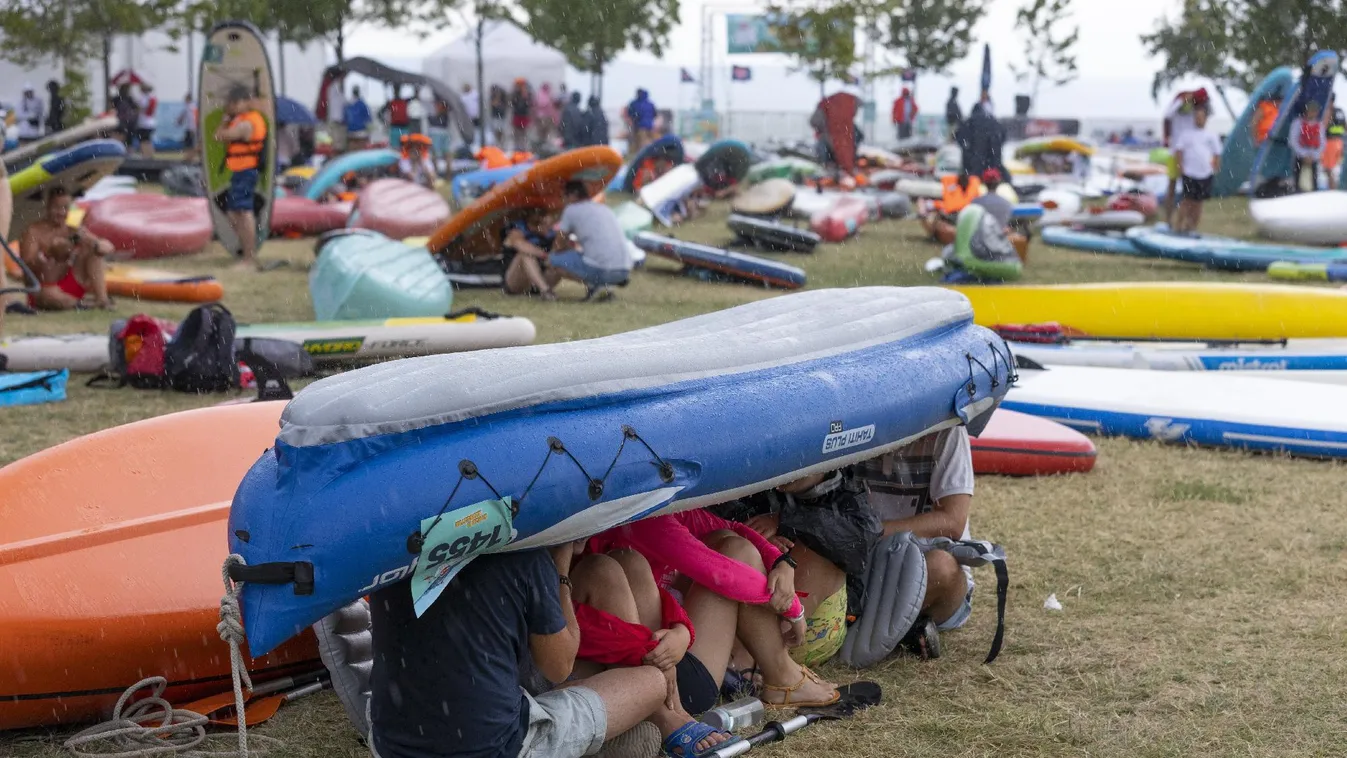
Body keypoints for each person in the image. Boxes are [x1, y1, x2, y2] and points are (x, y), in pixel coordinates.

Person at [367, 544, 700, 758]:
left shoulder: (400, 546)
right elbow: (559, 666)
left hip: (391, 742)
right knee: (653, 681)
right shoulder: (526, 556)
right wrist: (561, 572)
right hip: (496, 747)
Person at [588, 508, 844, 709]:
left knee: (729, 541)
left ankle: (779, 672)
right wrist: (792, 608)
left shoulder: (669, 512)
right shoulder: (644, 519)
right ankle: (782, 675)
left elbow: (734, 529)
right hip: (672, 684)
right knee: (735, 553)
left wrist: (781, 561)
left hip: (674, 658)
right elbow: (721, 574)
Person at [568, 551, 740, 754]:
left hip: (660, 672)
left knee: (630, 559)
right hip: (595, 670)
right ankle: (661, 713)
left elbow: (661, 593)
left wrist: (681, 630)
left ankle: (673, 709)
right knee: (598, 568)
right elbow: (561, 625)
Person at [851, 428, 980, 633]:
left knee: (942, 567)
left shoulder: (948, 431)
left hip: (921, 565)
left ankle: (866, 620)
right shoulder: (852, 425)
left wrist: (871, 532)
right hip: (861, 563)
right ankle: (896, 627)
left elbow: (952, 522)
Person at [20, 188, 113, 311]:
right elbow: (27, 265)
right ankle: (83, 304)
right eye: (56, 208)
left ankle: (102, 300)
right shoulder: (34, 231)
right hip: (46, 290)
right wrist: (48, 255)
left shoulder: (73, 229)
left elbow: (107, 247)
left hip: (71, 284)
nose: (61, 212)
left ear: (70, 210)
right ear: (47, 207)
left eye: (65, 208)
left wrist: (95, 245)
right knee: (47, 293)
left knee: (94, 252)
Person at [213, 86, 267, 269]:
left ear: (245, 102)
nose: (231, 106)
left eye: (234, 102)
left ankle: (249, 258)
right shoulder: (241, 120)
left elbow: (220, 136)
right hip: (240, 171)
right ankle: (246, 249)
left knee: (243, 211)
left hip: (247, 171)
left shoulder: (247, 123)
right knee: (233, 212)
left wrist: (224, 122)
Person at [551, 180, 632, 298]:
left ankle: (596, 285)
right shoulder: (604, 209)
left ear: (572, 195)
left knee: (553, 259)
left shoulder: (571, 210)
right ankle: (605, 287)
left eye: (565, 196)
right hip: (625, 270)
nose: (564, 200)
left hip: (603, 271)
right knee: (586, 255)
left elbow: (559, 243)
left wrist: (549, 254)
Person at [1170, 103, 1221, 233]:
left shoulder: (1211, 135)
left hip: (1205, 173)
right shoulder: (1186, 134)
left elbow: (1216, 154)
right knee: (1187, 200)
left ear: (1205, 119)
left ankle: (1192, 227)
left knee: (1198, 202)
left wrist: (1215, 167)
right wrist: (1180, 166)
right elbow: (1179, 151)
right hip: (1189, 172)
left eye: (1201, 117)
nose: (1199, 119)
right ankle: (1178, 226)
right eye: (1197, 117)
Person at [1162, 87, 1210, 223]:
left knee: (1189, 193)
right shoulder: (1175, 111)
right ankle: (1168, 220)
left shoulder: (1195, 112)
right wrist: (1181, 101)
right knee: (1171, 188)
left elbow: (1204, 121)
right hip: (1174, 153)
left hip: (1189, 157)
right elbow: (1167, 115)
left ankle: (1187, 222)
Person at [1290, 100, 1325, 193]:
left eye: (1315, 111)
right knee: (1297, 182)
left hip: (1313, 157)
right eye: (1311, 110)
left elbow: (1322, 143)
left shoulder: (1319, 125)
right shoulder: (1298, 122)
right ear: (1306, 111)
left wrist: (1314, 156)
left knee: (1314, 183)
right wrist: (1304, 154)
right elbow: (1293, 140)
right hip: (1300, 155)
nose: (1313, 113)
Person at [324, 67, 348, 153]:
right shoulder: (336, 86)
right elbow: (343, 102)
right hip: (337, 119)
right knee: (339, 145)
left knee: (336, 143)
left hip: (334, 118)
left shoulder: (331, 87)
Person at [626, 89, 656, 155]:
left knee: (639, 144)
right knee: (649, 143)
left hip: (639, 126)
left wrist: (635, 121)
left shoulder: (634, 103)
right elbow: (654, 114)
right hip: (650, 126)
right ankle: (650, 155)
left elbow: (631, 114)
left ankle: (639, 157)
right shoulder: (650, 104)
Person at [344, 86, 372, 151]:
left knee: (351, 154)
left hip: (350, 133)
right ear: (358, 92)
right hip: (361, 133)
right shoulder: (362, 104)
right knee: (360, 154)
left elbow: (345, 119)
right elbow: (369, 119)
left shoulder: (348, 104)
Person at [111, 84, 139, 148]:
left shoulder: (116, 98)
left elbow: (112, 107)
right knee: (129, 138)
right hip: (129, 122)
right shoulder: (129, 98)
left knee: (119, 135)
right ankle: (128, 151)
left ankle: (119, 148)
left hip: (119, 121)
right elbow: (136, 108)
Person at [533, 83, 559, 150]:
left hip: (547, 117)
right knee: (542, 132)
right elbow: (541, 104)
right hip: (542, 117)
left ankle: (544, 145)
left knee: (546, 132)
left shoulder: (548, 94)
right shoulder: (541, 94)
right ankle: (541, 146)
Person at [427, 98, 452, 165]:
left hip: (435, 132)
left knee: (435, 153)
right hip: (445, 131)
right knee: (446, 153)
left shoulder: (437, 106)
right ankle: (447, 174)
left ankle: (436, 172)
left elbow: (432, 120)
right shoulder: (447, 105)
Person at [136, 82, 158, 157]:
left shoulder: (143, 97)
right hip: (151, 122)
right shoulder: (153, 97)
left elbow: (141, 108)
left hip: (143, 122)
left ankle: (145, 155)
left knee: (143, 141)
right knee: (148, 140)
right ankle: (150, 154)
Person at [510, 79, 533, 151]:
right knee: (517, 133)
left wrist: (525, 97)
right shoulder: (515, 93)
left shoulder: (527, 94)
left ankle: (523, 147)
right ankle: (517, 147)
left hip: (524, 116)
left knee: (524, 132)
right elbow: (513, 103)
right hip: (517, 115)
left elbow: (529, 105)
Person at [1326, 106, 1345, 190]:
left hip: (1331, 142)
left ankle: (1333, 189)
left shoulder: (1331, 111)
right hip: (1338, 142)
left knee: (1331, 169)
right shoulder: (1339, 111)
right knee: (1333, 169)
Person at [178, 92, 199, 162]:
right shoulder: (194, 106)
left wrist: (179, 121)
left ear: (188, 99)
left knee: (189, 145)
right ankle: (189, 157)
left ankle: (189, 158)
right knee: (191, 144)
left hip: (190, 128)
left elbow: (190, 118)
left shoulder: (188, 107)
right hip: (193, 128)